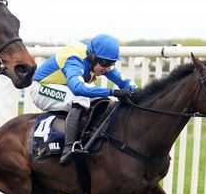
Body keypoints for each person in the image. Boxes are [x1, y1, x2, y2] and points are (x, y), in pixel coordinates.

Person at [31, 33, 137, 166]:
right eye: (105, 63)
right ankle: (69, 148)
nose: (107, 68)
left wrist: (136, 91)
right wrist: (114, 92)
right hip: (41, 88)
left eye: (112, 63)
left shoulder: (99, 57)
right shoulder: (74, 59)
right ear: (92, 57)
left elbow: (122, 80)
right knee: (81, 97)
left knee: (102, 98)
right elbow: (77, 88)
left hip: (64, 86)